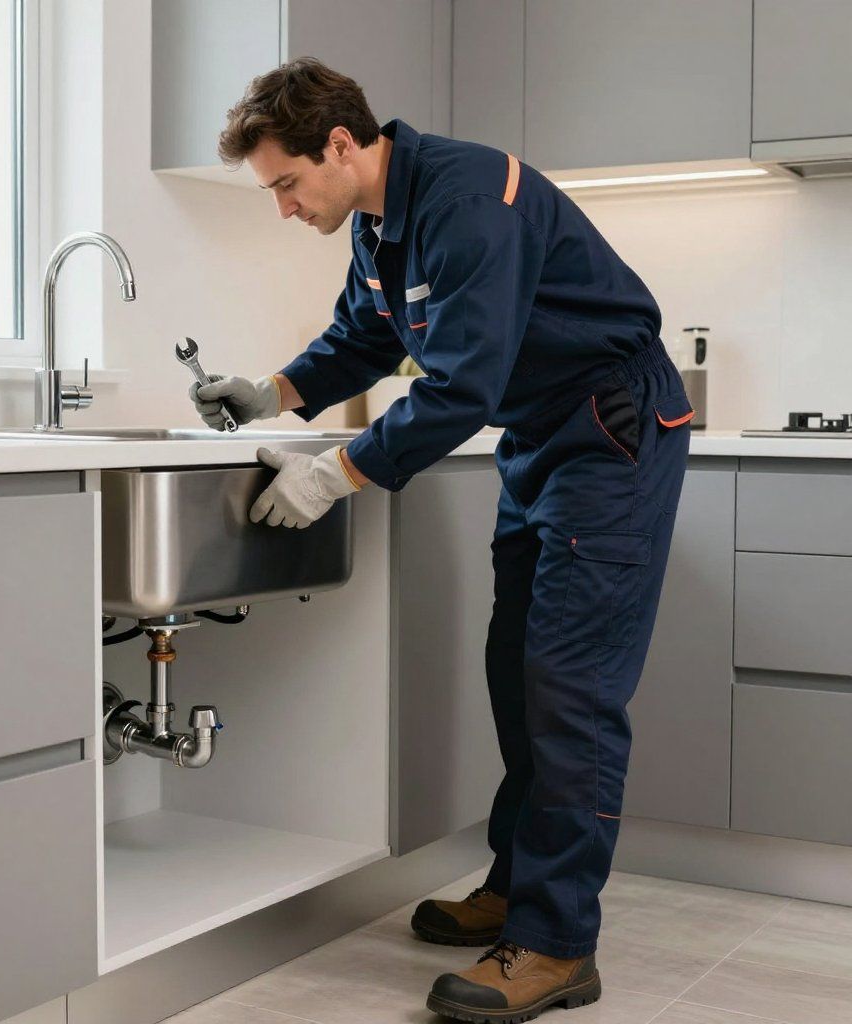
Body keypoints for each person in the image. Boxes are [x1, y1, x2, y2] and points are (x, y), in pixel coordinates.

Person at [189, 57, 693, 1022]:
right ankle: (518, 888)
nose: (284, 208)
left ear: (341, 145)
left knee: (570, 687)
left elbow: (461, 384)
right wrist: (271, 392)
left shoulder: (467, 198)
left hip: (610, 430)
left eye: (287, 183)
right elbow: (364, 338)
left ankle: (556, 944)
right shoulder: (381, 220)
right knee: (519, 674)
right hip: (542, 436)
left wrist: (335, 474)